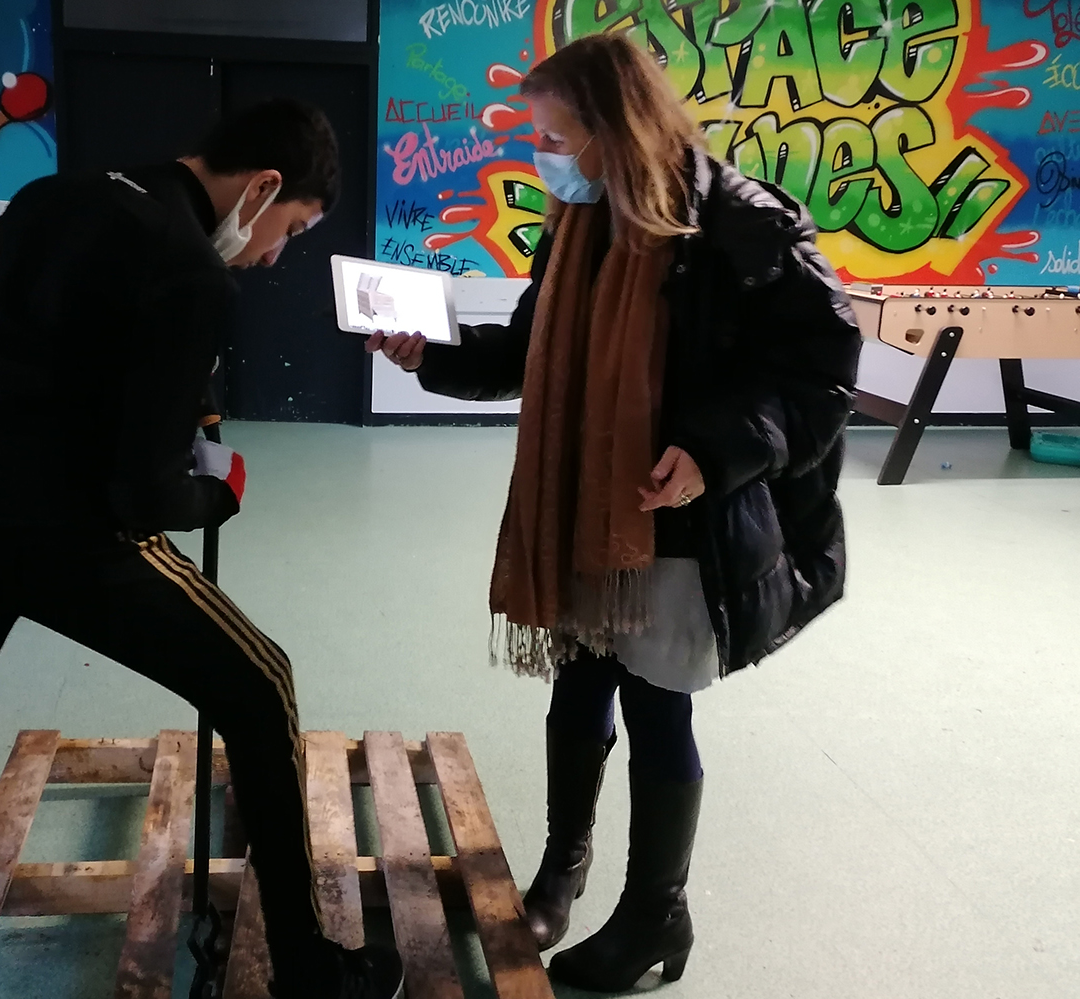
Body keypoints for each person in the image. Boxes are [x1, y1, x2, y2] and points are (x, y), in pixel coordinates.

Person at [0, 99, 404, 999]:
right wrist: (220, 487)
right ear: (264, 187)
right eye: (291, 229)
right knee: (261, 682)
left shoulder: (57, 197)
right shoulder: (194, 278)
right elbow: (144, 495)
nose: (276, 252)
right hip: (67, 538)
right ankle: (312, 971)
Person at [368, 34, 860, 993]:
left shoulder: (742, 226)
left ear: (611, 127)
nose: (542, 154)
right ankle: (563, 870)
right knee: (580, 684)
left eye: (555, 134)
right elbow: (526, 350)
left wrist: (714, 453)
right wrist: (429, 354)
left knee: (655, 701)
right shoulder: (577, 219)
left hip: (676, 515)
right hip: (585, 502)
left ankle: (654, 914)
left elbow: (819, 371)